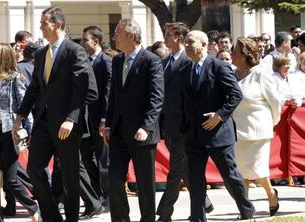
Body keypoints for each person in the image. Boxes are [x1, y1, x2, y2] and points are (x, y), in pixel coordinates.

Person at [12, 6, 98, 221]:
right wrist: (20, 116)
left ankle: (71, 218)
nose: (40, 27)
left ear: (57, 24)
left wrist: (71, 118)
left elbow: (88, 90)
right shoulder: (41, 53)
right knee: (34, 168)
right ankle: (51, 216)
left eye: (44, 23)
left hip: (67, 124)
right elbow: (34, 89)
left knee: (69, 175)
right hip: (43, 122)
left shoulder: (74, 51)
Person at [181, 30, 255, 222]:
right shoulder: (185, 70)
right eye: (185, 42)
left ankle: (247, 210)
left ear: (204, 45)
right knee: (195, 179)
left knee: (230, 176)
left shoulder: (219, 66)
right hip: (194, 134)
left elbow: (235, 95)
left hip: (218, 134)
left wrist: (220, 116)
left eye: (190, 42)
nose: (186, 45)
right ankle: (198, 217)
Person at [103, 18, 164, 222]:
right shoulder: (118, 60)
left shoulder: (151, 60)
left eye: (118, 33)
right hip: (119, 131)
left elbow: (156, 97)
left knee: (145, 182)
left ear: (131, 36)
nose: (114, 38)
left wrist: (146, 126)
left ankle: (147, 219)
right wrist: (109, 123)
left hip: (142, 132)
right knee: (114, 177)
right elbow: (114, 95)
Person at [156, 22, 213, 222]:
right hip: (169, 125)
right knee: (185, 168)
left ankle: (164, 213)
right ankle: (204, 204)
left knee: (175, 170)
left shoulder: (189, 62)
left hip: (184, 126)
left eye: (169, 34)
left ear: (179, 37)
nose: (165, 37)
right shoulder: (164, 61)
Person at [0, 43, 38, 222]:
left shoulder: (15, 79)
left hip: (9, 132)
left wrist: (29, 132)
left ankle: (33, 207)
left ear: (0, 57)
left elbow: (25, 108)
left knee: (10, 179)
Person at [231, 37, 281, 217]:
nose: (231, 53)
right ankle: (245, 208)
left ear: (244, 55)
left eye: (234, 51)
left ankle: (270, 194)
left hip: (258, 130)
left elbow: (275, 101)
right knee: (241, 172)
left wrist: (272, 121)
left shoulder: (261, 73)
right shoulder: (233, 73)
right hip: (237, 131)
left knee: (258, 170)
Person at [80, 25, 112, 213]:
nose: (82, 43)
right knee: (85, 159)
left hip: (99, 120)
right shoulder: (83, 61)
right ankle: (94, 196)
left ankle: (107, 199)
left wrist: (104, 119)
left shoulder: (105, 62)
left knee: (104, 161)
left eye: (85, 39)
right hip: (84, 121)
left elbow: (108, 93)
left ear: (95, 41)